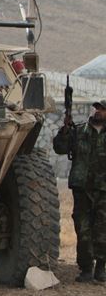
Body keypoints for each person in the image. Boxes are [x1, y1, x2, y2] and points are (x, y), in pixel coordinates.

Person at [53, 100, 106, 283]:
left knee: (102, 229)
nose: (98, 111)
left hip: (103, 189)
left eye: (103, 109)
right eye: (97, 108)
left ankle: (101, 268)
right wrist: (65, 131)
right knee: (83, 229)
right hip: (82, 188)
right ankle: (86, 269)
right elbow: (59, 148)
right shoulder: (79, 130)